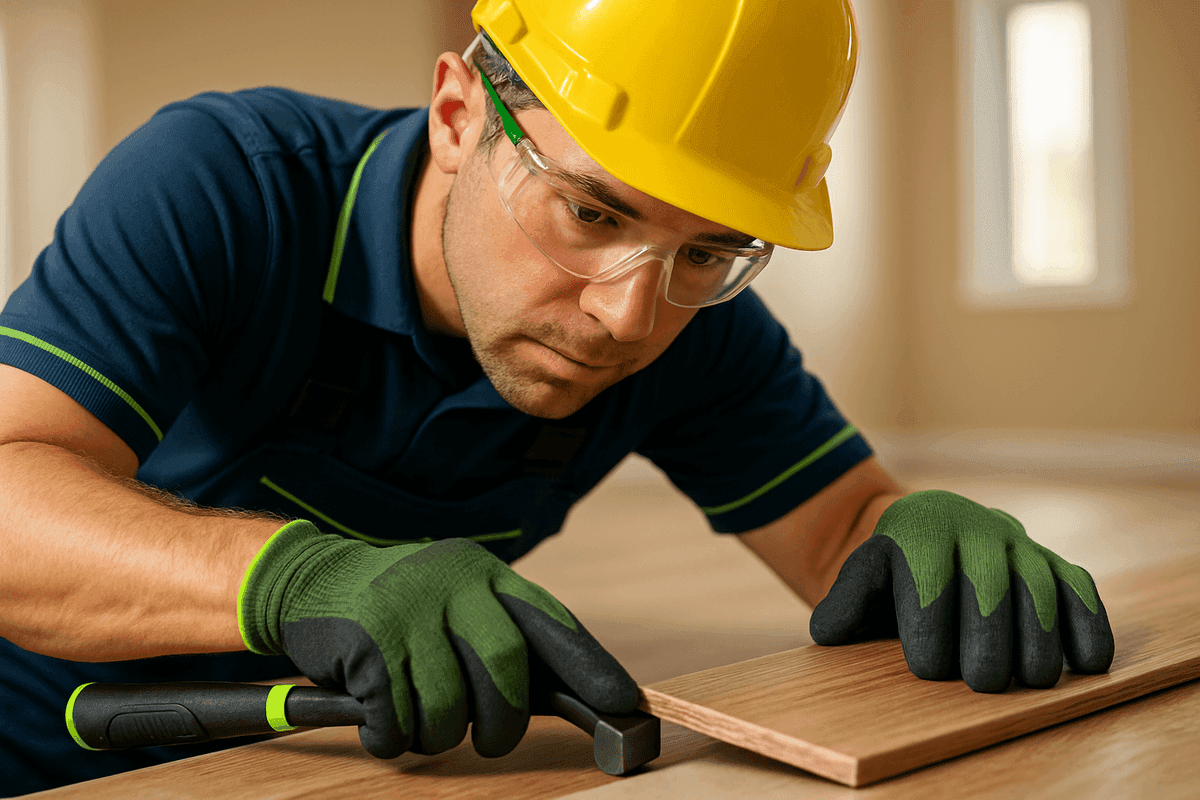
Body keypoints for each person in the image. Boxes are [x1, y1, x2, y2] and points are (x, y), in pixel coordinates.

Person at [0, 0, 1113, 793]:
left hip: (324, 765)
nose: (631, 317)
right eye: (590, 214)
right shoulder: (226, 183)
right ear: (455, 115)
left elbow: (841, 528)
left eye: (711, 250)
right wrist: (298, 576)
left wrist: (914, 527)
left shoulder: (688, 319)